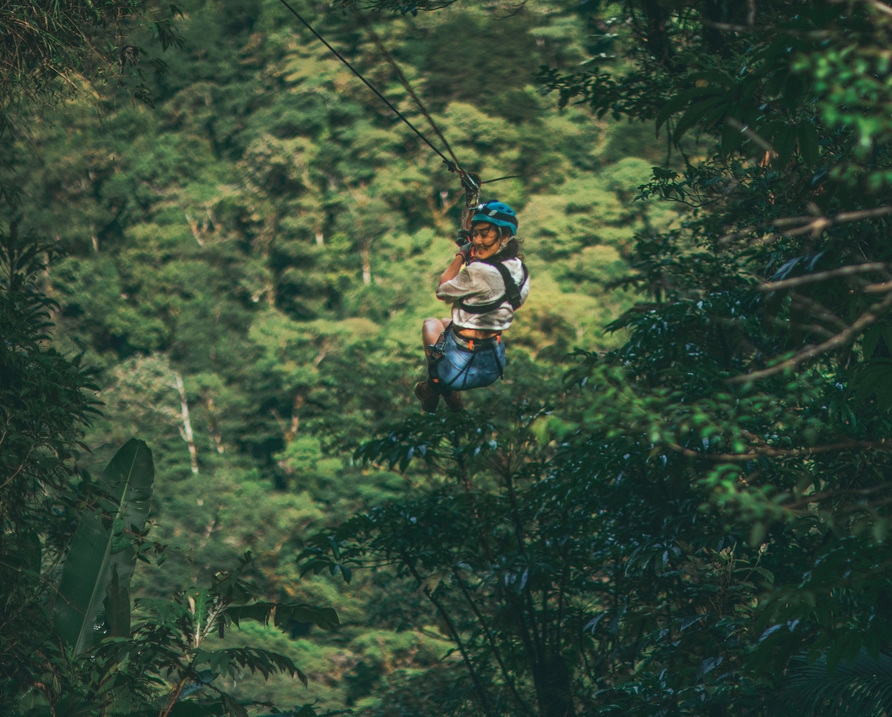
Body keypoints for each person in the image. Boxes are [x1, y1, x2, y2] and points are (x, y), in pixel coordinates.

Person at [414, 200, 530, 413]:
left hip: (459, 368)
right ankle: (444, 393)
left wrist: (462, 254)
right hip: (494, 363)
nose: (477, 240)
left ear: (505, 237)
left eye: (485, 234)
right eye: (475, 234)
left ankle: (437, 388)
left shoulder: (477, 271)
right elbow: (515, 304)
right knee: (446, 322)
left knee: (431, 323)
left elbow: (442, 290)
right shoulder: (520, 268)